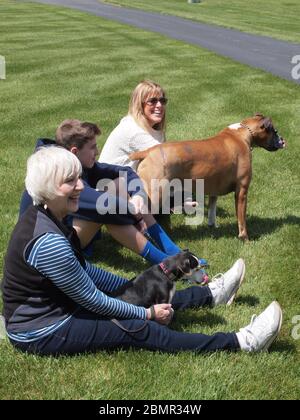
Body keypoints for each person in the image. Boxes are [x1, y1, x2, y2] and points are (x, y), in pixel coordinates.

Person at [1, 147, 283, 356]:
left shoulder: (52, 214)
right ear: (49, 188)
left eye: (79, 178)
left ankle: (211, 294)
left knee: (140, 290)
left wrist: (132, 288)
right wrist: (146, 314)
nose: (81, 186)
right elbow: (92, 300)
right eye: (70, 181)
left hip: (61, 303)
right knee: (138, 329)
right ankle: (242, 342)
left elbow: (85, 272)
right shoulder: (48, 240)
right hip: (42, 329)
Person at [19, 119, 207, 278]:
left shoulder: (69, 163)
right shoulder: (59, 176)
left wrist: (139, 197)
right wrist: (136, 214)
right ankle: (167, 266)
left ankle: (173, 253)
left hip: (68, 232)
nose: (97, 151)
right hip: (56, 250)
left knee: (118, 185)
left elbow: (124, 172)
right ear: (75, 152)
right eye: (92, 147)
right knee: (108, 211)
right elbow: (108, 206)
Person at [99, 79, 198, 210]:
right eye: (152, 101)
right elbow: (169, 163)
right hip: (110, 189)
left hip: (128, 181)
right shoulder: (134, 131)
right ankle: (170, 204)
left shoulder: (152, 128)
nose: (159, 105)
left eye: (162, 101)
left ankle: (171, 202)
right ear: (140, 105)